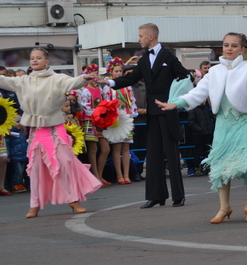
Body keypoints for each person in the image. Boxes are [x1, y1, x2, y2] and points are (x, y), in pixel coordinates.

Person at [156, 33, 247, 224]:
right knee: (221, 166)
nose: (229, 48)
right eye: (226, 45)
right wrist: (176, 104)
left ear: (242, 49)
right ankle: (224, 207)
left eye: (234, 46)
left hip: (244, 123)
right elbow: (198, 93)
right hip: (223, 125)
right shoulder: (214, 72)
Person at [98, 23, 192, 209]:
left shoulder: (169, 58)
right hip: (152, 113)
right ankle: (156, 196)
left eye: (141, 35)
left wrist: (176, 101)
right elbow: (130, 79)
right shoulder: (143, 60)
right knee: (153, 154)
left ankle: (178, 196)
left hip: (168, 110)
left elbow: (185, 78)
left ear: (151, 37)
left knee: (172, 155)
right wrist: (107, 81)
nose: (139, 39)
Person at [0, 47, 102, 217]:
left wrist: (85, 77)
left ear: (46, 61)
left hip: (55, 127)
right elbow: (2, 80)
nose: (34, 60)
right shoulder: (23, 81)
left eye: (38, 58)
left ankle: (73, 198)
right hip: (37, 129)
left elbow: (72, 82)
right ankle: (35, 204)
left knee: (65, 163)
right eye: (32, 58)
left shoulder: (57, 78)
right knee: (37, 168)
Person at [104, 58, 138, 184]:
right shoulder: (109, 87)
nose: (118, 73)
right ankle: (119, 175)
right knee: (117, 147)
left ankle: (126, 174)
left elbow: (132, 101)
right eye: (116, 71)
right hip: (115, 119)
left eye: (120, 71)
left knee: (126, 147)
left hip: (127, 118)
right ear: (111, 73)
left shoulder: (127, 86)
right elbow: (106, 103)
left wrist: (132, 115)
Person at [79, 64, 111, 185]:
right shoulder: (86, 90)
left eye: (95, 75)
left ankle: (100, 174)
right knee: (93, 149)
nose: (94, 78)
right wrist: (98, 113)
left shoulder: (99, 89)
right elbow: (86, 107)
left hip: (99, 120)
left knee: (105, 148)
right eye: (91, 76)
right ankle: (95, 176)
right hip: (89, 120)